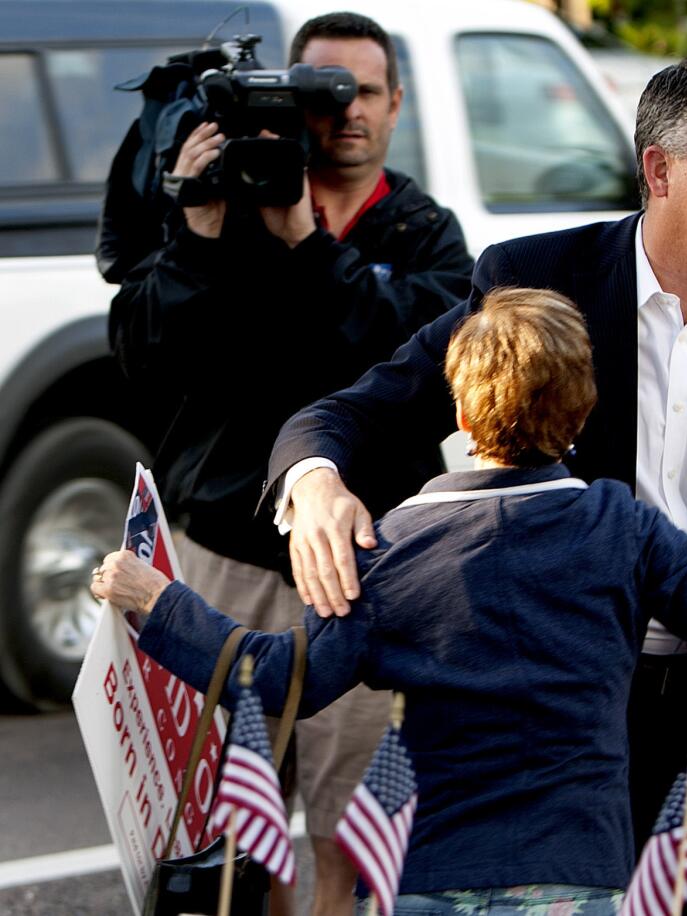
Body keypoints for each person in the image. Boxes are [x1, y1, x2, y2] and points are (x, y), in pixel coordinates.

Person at [266, 57, 687, 913]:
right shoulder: (532, 284)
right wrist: (317, 484)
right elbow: (356, 416)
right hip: (559, 742)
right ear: (659, 169)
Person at [94, 285, 687, 913]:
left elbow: (284, 680)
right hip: (574, 874)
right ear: (581, 415)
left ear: (459, 411)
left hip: (424, 875)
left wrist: (160, 602)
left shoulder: (390, 549)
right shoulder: (622, 527)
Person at [107, 13, 473, 915]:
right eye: (322, 93)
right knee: (239, 844)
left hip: (368, 573)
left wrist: (309, 244)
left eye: (364, 93)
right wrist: (196, 227)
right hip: (227, 560)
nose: (343, 114)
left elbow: (406, 365)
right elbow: (142, 356)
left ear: (396, 104)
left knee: (351, 842)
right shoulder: (218, 209)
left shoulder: (426, 234)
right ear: (287, 100)